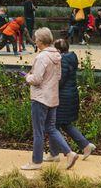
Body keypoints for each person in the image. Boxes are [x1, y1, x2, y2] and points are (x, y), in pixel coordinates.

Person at [21, 28, 78, 170]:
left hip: (40, 98)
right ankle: (69, 153)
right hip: (53, 97)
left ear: (40, 41)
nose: (35, 41)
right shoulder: (57, 56)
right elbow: (58, 77)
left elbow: (37, 79)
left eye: (36, 39)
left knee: (38, 131)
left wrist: (27, 77)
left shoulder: (42, 57)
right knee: (51, 128)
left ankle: (36, 162)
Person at [43, 39, 96, 162]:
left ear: (59, 50)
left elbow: (60, 80)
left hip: (63, 97)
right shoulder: (71, 58)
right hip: (71, 95)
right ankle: (85, 145)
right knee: (65, 124)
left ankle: (54, 154)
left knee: (53, 124)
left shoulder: (63, 61)